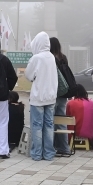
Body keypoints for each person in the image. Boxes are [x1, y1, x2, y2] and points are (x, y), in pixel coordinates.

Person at [24, 32, 58, 161]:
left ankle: (37, 154)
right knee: (49, 125)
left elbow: (28, 75)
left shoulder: (36, 58)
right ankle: (49, 153)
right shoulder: (51, 57)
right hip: (51, 97)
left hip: (38, 97)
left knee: (37, 126)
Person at [49, 37, 76, 156]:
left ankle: (52, 147)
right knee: (61, 121)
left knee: (51, 121)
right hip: (64, 94)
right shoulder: (63, 57)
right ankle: (64, 148)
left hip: (54, 94)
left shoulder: (50, 58)